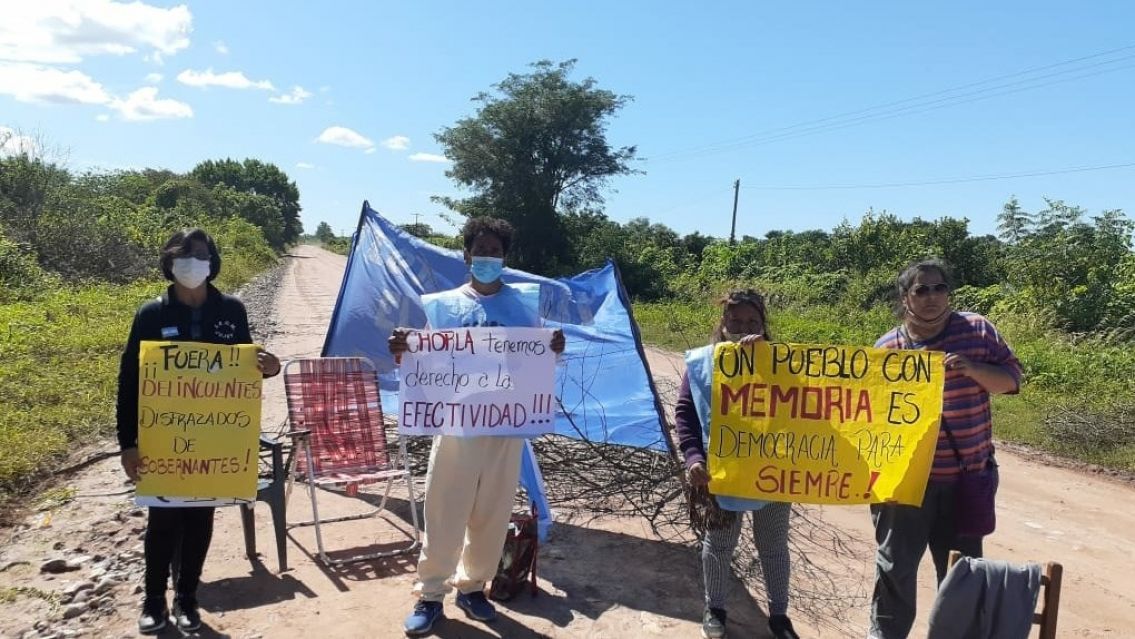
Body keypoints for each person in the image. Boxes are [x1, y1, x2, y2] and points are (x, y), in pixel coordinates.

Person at [389, 217, 565, 637]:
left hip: (505, 427)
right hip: (456, 427)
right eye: (480, 250)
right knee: (445, 508)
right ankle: (430, 595)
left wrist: (553, 349)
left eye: (496, 251)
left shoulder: (523, 306)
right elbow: (426, 359)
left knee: (492, 512)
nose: (488, 257)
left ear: (506, 257)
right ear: (466, 255)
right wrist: (404, 350)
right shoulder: (444, 306)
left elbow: (535, 360)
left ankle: (472, 587)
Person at [116, 228, 281, 634]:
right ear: (169, 263)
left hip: (214, 440)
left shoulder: (232, 312)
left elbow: (247, 373)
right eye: (184, 256)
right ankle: (154, 599)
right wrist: (128, 444)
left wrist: (270, 366)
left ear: (213, 262)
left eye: (201, 256)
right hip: (163, 439)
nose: (193, 264)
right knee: (163, 519)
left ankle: (187, 599)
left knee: (200, 518)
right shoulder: (152, 314)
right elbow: (129, 381)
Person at [868, 259, 1022, 639]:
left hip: (965, 479)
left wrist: (972, 369)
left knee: (961, 574)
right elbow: (866, 418)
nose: (933, 297)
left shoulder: (978, 330)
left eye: (939, 288)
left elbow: (1011, 381)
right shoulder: (887, 349)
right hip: (905, 488)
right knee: (894, 569)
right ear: (905, 298)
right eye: (922, 290)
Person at [675, 289, 800, 639]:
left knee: (773, 544)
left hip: (773, 472)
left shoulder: (782, 362)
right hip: (722, 471)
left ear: (763, 325)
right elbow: (686, 412)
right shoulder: (702, 363)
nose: (743, 327)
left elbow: (807, 411)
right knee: (719, 542)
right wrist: (693, 456)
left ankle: (779, 616)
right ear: (723, 323)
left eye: (752, 321)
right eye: (736, 320)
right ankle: (714, 609)